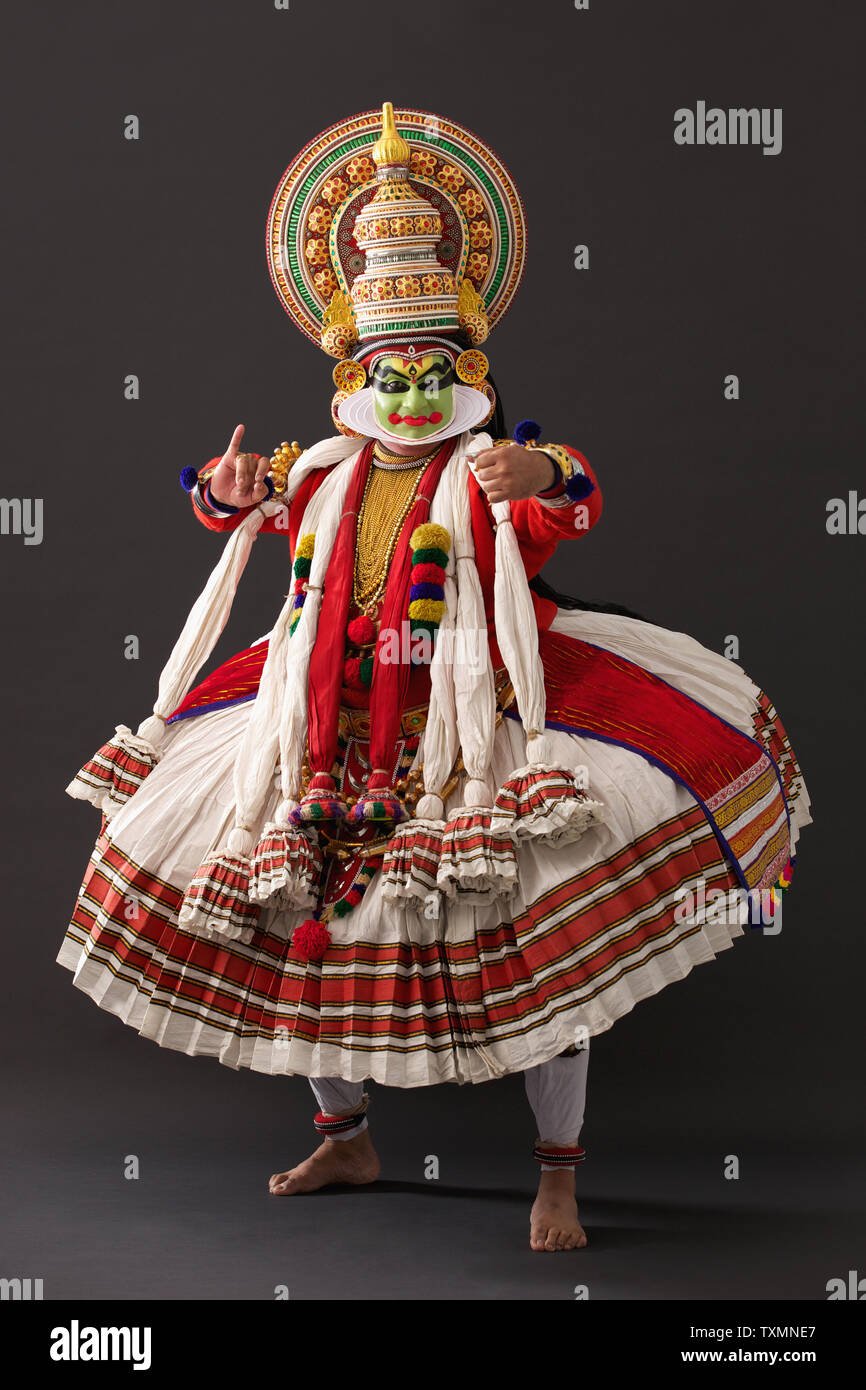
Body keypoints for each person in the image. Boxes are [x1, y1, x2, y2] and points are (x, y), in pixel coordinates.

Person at [59, 103, 810, 1255]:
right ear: (348, 378)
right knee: (299, 930)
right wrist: (215, 480)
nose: (409, 399)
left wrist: (543, 464)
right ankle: (347, 1134)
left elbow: (566, 496)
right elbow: (229, 506)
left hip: (475, 728)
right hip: (314, 734)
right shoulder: (315, 472)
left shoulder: (486, 472)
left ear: (470, 373)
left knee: (540, 955)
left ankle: (556, 1178)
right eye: (387, 376)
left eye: (432, 376)